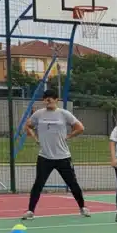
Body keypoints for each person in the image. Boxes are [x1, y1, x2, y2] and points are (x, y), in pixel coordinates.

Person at [21, 88, 89, 220]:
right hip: (45, 157)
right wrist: (35, 138)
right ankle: (30, 211)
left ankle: (82, 207)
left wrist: (69, 136)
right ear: (43, 100)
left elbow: (80, 127)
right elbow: (27, 126)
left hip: (63, 157)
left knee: (72, 183)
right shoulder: (39, 114)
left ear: (56, 100)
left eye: (52, 98)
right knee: (38, 184)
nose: (49, 100)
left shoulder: (64, 114)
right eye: (46, 98)